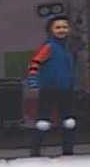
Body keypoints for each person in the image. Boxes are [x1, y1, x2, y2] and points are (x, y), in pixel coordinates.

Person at [27, 14, 78, 157]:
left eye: (64, 27)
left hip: (66, 89)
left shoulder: (68, 49)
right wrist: (33, 81)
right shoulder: (49, 46)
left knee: (69, 121)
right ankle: (35, 150)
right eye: (58, 27)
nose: (62, 30)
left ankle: (68, 151)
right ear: (50, 30)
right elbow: (35, 62)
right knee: (43, 121)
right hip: (49, 88)